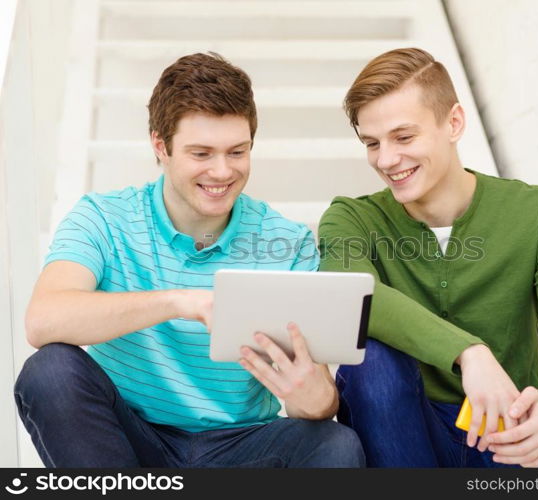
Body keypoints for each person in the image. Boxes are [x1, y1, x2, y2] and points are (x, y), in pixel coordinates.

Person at [14, 52, 364, 468]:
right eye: (201, 153)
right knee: (50, 371)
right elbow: (43, 320)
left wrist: (313, 398)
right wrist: (181, 302)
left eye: (237, 152)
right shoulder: (103, 218)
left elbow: (320, 400)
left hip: (243, 445)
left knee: (336, 444)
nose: (222, 172)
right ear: (160, 145)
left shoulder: (287, 242)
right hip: (133, 441)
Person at [317, 47, 538, 468]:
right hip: (406, 436)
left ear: (454, 122)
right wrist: (470, 353)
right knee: (371, 361)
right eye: (372, 143)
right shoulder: (351, 218)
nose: (387, 159)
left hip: (506, 434)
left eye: (404, 137)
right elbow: (356, 296)